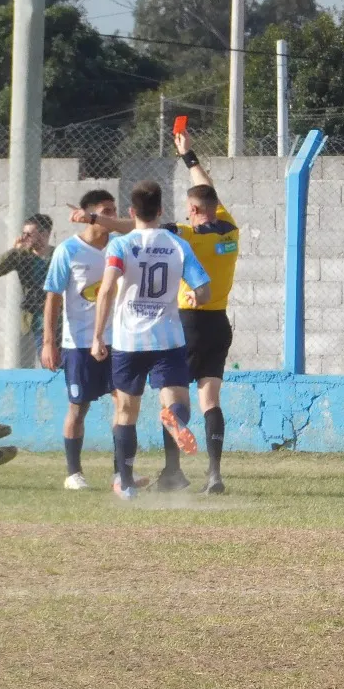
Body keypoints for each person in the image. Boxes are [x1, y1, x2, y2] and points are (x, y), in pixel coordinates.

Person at [70, 134, 240, 494]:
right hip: (209, 323)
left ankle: (150, 475)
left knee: (127, 410)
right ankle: (212, 472)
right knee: (200, 400)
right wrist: (188, 156)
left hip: (166, 328)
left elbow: (131, 235)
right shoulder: (228, 229)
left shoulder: (182, 235)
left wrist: (93, 218)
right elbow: (205, 190)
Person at [91, 181, 211, 500]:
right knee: (177, 402)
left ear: (132, 211)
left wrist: (97, 336)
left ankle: (125, 481)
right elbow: (203, 290)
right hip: (168, 338)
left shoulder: (120, 245)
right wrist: (195, 296)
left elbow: (106, 289)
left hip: (128, 340)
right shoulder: (177, 245)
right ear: (160, 211)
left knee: (126, 412)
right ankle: (175, 419)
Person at [42, 190, 119, 490]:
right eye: (106, 211)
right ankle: (73, 473)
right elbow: (53, 297)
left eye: (114, 210)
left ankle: (120, 473)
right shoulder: (68, 250)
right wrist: (49, 342)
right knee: (78, 407)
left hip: (117, 341)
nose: (112, 216)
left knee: (124, 403)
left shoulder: (120, 246)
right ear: (89, 214)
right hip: (79, 344)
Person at [0, 213, 55, 367]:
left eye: (29, 234)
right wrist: (15, 250)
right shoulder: (23, 256)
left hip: (60, 314)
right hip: (38, 316)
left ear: (44, 234)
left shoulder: (58, 254)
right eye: (23, 233)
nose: (24, 237)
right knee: (47, 361)